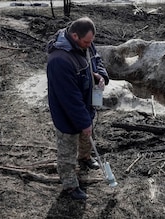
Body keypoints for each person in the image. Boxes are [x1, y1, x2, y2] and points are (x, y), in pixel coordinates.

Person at [46, 17, 109, 200]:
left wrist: (100, 76)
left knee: (86, 136)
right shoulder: (60, 60)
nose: (90, 45)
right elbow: (69, 99)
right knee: (67, 148)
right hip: (67, 113)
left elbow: (96, 59)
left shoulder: (85, 43)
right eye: (87, 42)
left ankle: (85, 158)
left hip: (86, 104)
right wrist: (84, 122)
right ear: (74, 36)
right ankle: (70, 186)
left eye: (91, 42)